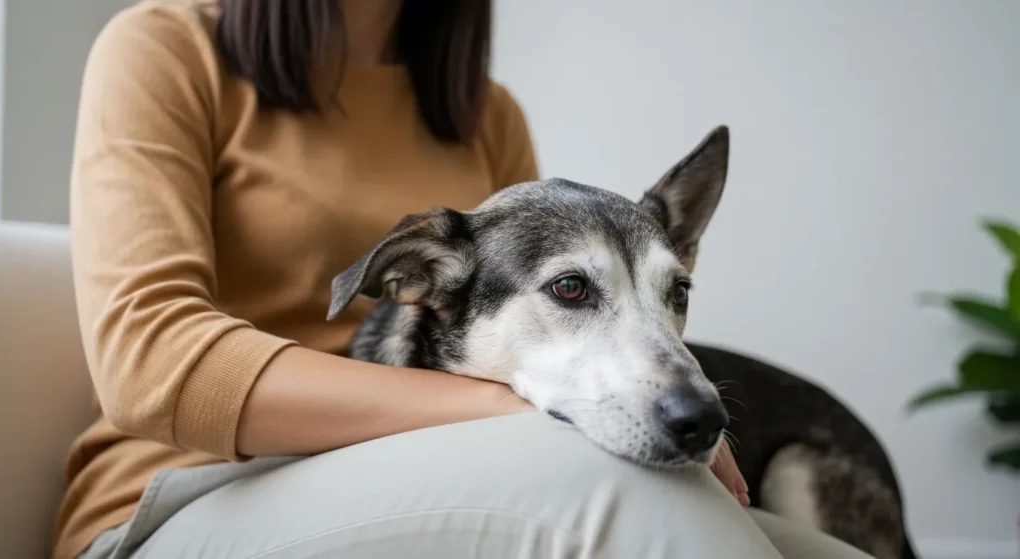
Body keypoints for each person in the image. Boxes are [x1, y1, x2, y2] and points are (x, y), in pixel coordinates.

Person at [53, 1, 874, 558]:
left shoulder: (484, 112)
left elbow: (530, 339)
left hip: (415, 475)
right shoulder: (165, 45)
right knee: (633, 498)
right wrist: (516, 413)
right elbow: (147, 360)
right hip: (181, 496)